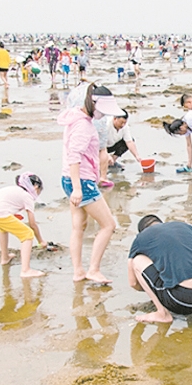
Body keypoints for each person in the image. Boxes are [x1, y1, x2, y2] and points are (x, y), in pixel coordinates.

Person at [58, 84, 122, 284]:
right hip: (81, 182)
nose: (105, 116)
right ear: (93, 104)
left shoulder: (76, 117)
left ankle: (78, 272)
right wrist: (78, 188)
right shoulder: (84, 126)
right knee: (108, 225)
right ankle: (94, 269)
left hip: (68, 178)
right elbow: (74, 155)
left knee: (79, 227)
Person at [127, 215, 192, 323]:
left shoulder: (141, 238)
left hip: (180, 301)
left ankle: (162, 314)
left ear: (142, 231)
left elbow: (133, 283)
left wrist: (152, 287)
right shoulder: (184, 226)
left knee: (137, 260)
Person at [0, 173, 53, 278]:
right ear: (35, 187)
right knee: (27, 234)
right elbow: (32, 224)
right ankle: (25, 270)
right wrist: (41, 241)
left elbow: (4, 202)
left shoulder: (14, 189)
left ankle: (5, 257)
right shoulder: (28, 197)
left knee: (3, 227)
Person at [96, 111, 143, 187]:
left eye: (125, 123)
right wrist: (106, 156)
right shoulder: (106, 125)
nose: (123, 125)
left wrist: (137, 156)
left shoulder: (124, 127)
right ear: (115, 119)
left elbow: (129, 142)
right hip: (100, 146)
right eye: (121, 122)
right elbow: (99, 143)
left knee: (129, 142)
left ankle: (112, 162)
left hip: (112, 145)